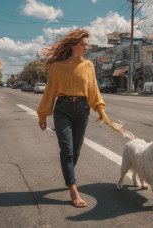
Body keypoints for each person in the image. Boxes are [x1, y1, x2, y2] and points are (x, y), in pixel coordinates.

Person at [37, 30, 106, 208]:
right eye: (83, 44)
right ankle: (73, 189)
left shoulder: (88, 65)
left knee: (75, 151)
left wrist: (99, 108)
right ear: (73, 45)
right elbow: (50, 90)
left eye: (87, 45)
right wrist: (43, 114)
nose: (85, 48)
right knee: (67, 150)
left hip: (82, 109)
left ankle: (69, 176)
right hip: (63, 109)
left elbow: (93, 89)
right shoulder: (56, 66)